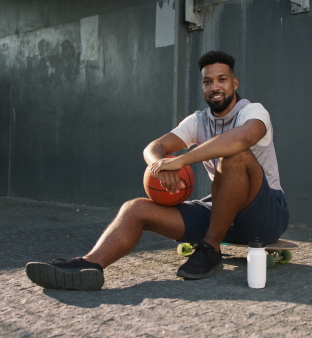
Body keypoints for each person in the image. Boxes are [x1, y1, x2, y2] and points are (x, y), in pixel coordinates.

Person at [25, 51, 289, 291]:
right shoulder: (198, 121)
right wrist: (158, 164)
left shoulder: (253, 111)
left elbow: (242, 139)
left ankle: (209, 249)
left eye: (222, 79)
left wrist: (181, 160)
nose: (215, 87)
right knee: (135, 208)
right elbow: (156, 146)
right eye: (208, 82)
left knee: (235, 156)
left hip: (264, 216)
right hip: (221, 213)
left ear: (234, 83)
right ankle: (89, 265)